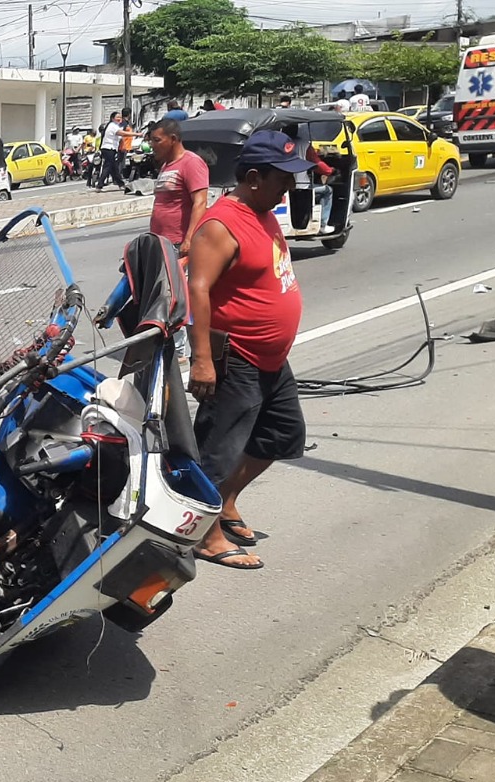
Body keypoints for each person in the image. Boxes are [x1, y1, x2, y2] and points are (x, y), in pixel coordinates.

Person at [184, 130, 312, 571]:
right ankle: (204, 535)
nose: (290, 187)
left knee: (283, 435)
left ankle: (224, 501)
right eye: (283, 178)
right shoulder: (221, 225)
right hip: (236, 358)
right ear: (254, 177)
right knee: (217, 453)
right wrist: (202, 360)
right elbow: (197, 289)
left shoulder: (264, 210)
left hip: (272, 358)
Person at [147, 119, 209, 254]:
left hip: (178, 243)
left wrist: (189, 239)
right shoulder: (166, 165)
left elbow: (200, 202)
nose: (152, 145)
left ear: (173, 139)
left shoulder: (191, 162)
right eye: (151, 141)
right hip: (160, 241)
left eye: (157, 140)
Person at [97, 111, 127, 190]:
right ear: (112, 118)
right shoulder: (113, 126)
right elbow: (123, 134)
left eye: (120, 117)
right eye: (117, 117)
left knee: (114, 168)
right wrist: (137, 134)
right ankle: (99, 185)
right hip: (109, 149)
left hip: (111, 149)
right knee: (107, 166)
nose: (119, 119)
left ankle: (120, 184)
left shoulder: (116, 126)